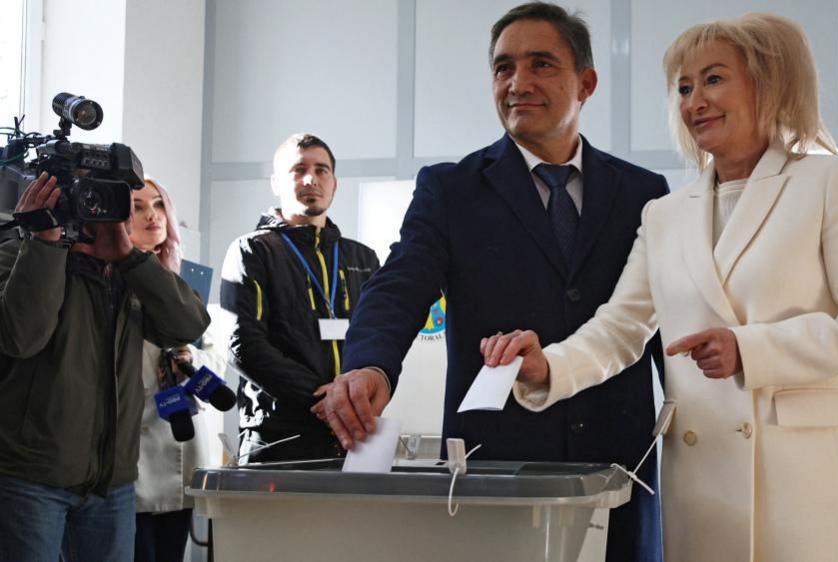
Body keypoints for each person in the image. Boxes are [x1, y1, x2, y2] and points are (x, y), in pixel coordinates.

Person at [480, 13, 838, 562]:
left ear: (769, 82)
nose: (694, 101)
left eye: (713, 79)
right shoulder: (664, 214)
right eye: (683, 87)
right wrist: (549, 367)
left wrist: (750, 349)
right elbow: (620, 328)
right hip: (703, 480)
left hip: (802, 480)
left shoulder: (829, 183)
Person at [318, 3, 668, 560]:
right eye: (504, 67)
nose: (518, 83)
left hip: (619, 468)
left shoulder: (643, 193)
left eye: (541, 65)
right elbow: (401, 282)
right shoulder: (451, 190)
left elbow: (660, 322)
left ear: (587, 82)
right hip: (495, 472)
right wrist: (372, 363)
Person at [0, 173, 210, 561]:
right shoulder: (16, 255)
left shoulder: (129, 272)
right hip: (31, 478)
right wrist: (44, 243)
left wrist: (130, 257)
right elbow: (22, 337)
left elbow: (189, 325)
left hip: (111, 483)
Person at [220, 133, 380, 463]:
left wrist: (351, 397)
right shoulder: (252, 250)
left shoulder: (362, 258)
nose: (311, 179)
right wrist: (321, 398)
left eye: (322, 170)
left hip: (354, 432)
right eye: (298, 169)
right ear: (276, 182)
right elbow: (243, 344)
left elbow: (378, 336)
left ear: (335, 184)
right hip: (279, 434)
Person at [130, 178, 225, 562]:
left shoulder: (189, 278)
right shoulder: (109, 277)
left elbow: (217, 356)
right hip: (134, 441)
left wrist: (190, 358)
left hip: (183, 442)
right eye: (137, 206)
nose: (152, 215)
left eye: (158, 204)